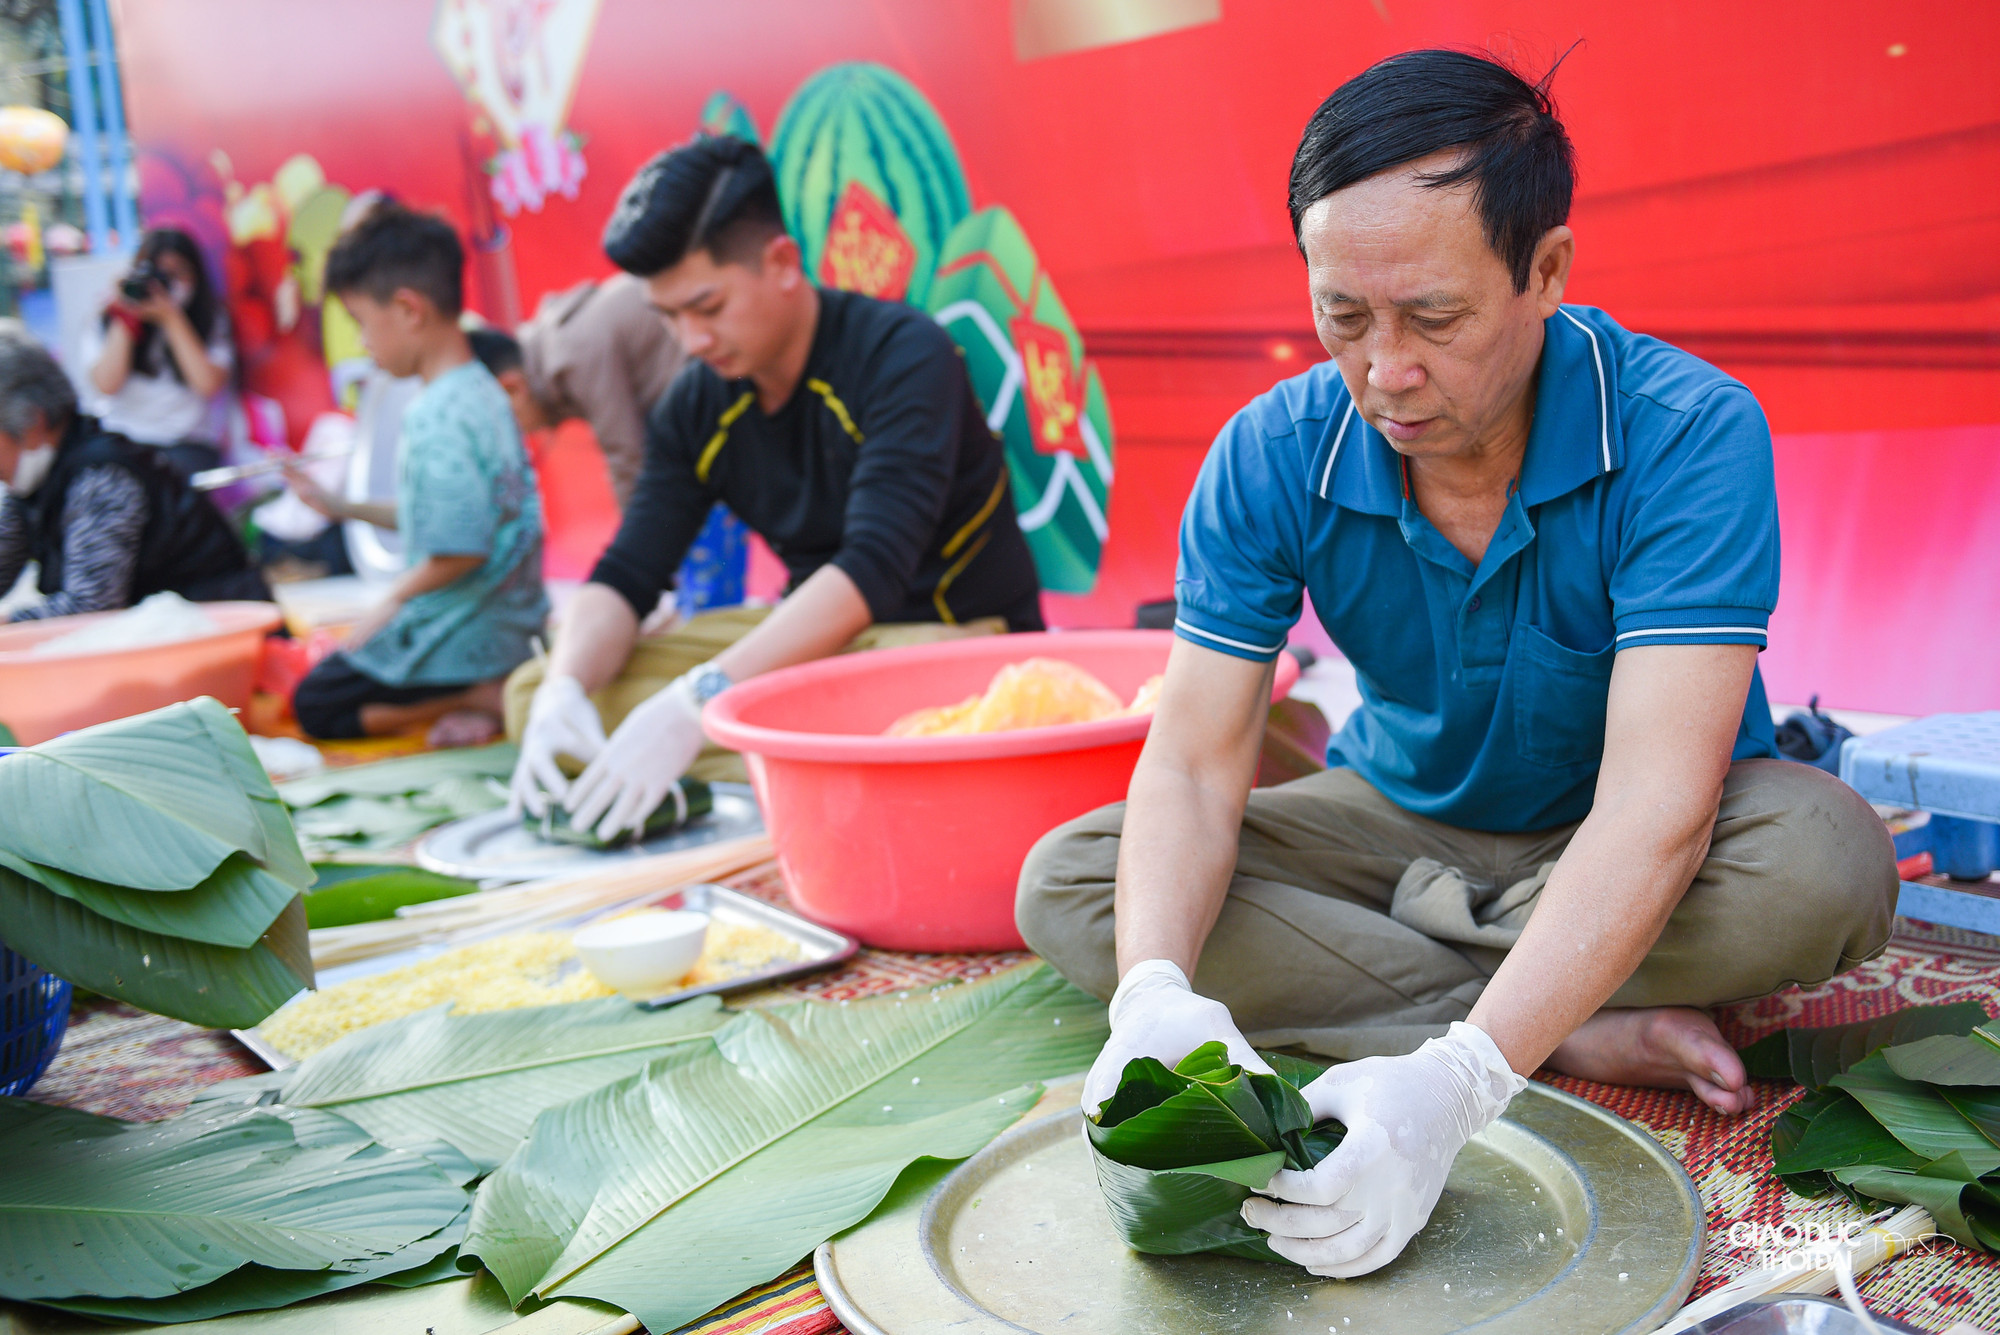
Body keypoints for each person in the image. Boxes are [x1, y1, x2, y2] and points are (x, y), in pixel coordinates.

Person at [1015, 50, 1896, 1279]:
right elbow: (1196, 766)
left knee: (1822, 866)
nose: (1384, 370)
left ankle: (1476, 1016)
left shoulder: (1687, 433)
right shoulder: (1269, 452)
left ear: (1545, 273)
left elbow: (1655, 805)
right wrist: (1155, 991)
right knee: (1077, 883)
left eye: (1431, 317)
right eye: (1342, 317)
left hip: (1638, 837)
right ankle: (1564, 1020)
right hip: (1395, 815)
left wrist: (1462, 1088)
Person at [506, 134, 1043, 843]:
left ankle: (754, 756)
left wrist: (693, 703)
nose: (690, 339)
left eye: (707, 306)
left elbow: (869, 572)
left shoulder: (903, 353)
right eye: (667, 317)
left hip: (950, 643)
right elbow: (628, 572)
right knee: (532, 692)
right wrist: (564, 690)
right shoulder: (697, 402)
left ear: (783, 263)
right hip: (814, 648)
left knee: (838, 709)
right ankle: (775, 761)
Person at [288, 205, 547, 746]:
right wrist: (341, 507)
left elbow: (461, 550)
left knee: (315, 703)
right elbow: (452, 517)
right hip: (513, 625)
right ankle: (485, 689)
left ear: (408, 310)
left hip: (465, 633)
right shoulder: (480, 389)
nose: (362, 342)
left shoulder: (435, 416)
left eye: (361, 322)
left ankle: (474, 696)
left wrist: (390, 602)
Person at [0, 322, 269, 620]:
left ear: (31, 422)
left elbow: (89, 607)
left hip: (221, 635)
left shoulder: (102, 476)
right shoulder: (32, 484)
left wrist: (8, 621)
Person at [486, 274, 685, 507]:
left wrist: (638, 541)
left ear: (513, 389)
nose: (522, 435)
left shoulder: (572, 355)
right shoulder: (555, 344)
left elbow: (628, 458)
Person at [83, 227, 234, 479]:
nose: (163, 285)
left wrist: (171, 319)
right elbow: (107, 384)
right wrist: (128, 312)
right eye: (157, 273)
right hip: (124, 441)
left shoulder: (210, 320)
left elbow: (207, 384)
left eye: (177, 273)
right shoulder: (109, 319)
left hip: (186, 445)